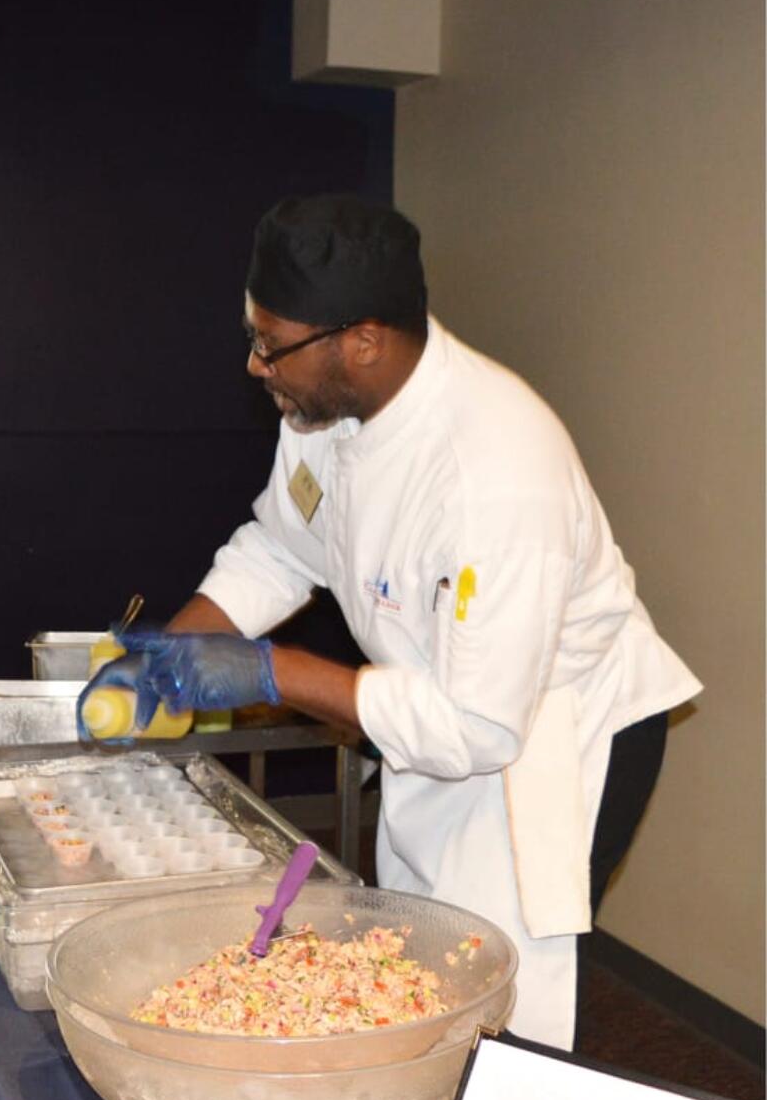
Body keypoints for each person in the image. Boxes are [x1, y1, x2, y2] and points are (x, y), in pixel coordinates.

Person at [79, 193, 701, 1051]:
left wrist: (271, 671)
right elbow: (281, 543)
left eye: (272, 343)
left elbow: (477, 726)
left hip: (556, 733)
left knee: (494, 984)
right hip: (439, 695)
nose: (257, 365)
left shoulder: (495, 473)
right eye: (252, 335)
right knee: (412, 948)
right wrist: (176, 647)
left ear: (361, 340)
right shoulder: (322, 407)